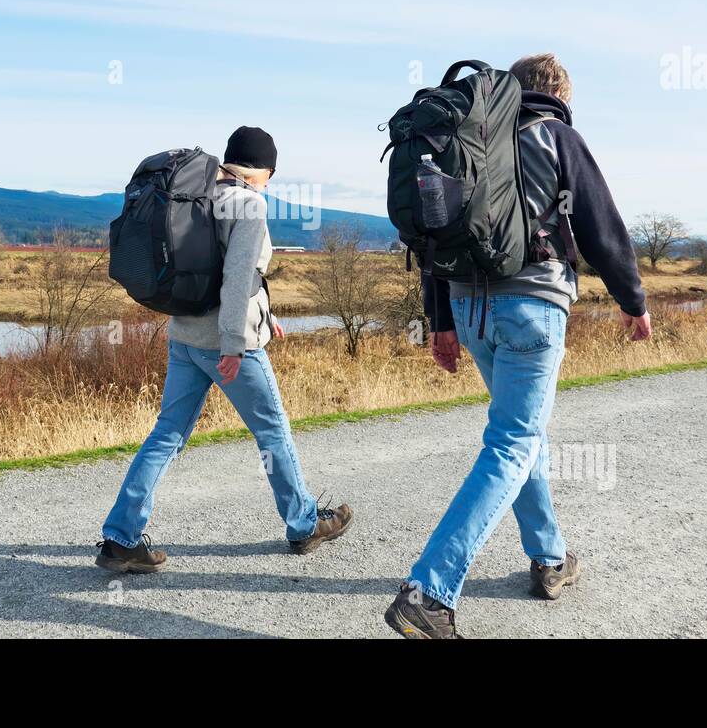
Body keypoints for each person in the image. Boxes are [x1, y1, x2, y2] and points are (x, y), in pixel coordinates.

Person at [385, 53, 651, 638]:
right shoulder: (555, 136)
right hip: (533, 307)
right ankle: (429, 592)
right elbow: (602, 227)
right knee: (513, 441)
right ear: (558, 92)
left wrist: (441, 322)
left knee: (520, 434)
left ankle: (549, 558)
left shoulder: (463, 138)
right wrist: (634, 302)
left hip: (467, 308)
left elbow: (437, 235)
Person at [96, 126, 353, 572]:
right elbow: (236, 278)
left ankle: (121, 537)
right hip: (227, 344)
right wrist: (235, 344)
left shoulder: (197, 196)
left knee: (167, 435)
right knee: (272, 433)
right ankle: (304, 525)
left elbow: (219, 273)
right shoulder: (249, 204)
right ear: (264, 170)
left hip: (184, 336)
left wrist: (265, 314)